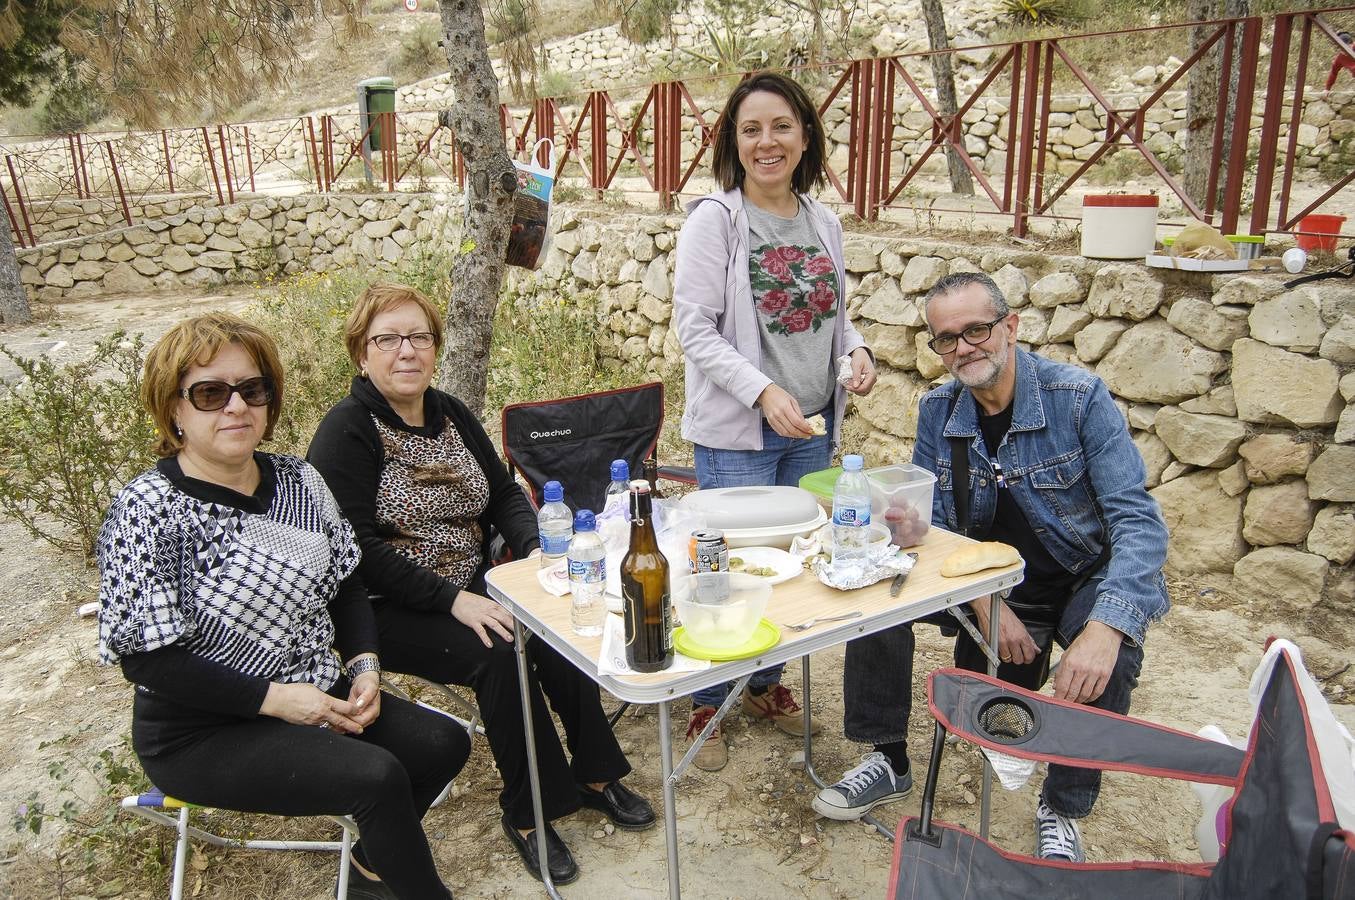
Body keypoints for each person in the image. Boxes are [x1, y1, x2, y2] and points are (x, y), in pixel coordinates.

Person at [97, 313, 467, 900]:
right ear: (173, 409)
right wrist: (279, 701)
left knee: (445, 743)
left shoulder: (297, 480)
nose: (236, 407)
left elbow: (345, 581)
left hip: (316, 691)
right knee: (377, 778)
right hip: (203, 729)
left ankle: (372, 867)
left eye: (253, 389)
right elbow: (150, 661)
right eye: (211, 393)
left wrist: (365, 664)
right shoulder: (148, 510)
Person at [814, 272, 1169, 863]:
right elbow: (939, 530)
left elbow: (1138, 522)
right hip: (985, 578)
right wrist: (982, 597)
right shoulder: (939, 410)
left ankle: (1061, 806)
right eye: (946, 339)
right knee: (878, 599)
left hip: (1078, 573)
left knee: (1111, 655)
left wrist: (1107, 627)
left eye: (976, 329)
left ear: (1010, 327)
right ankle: (886, 758)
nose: (963, 348)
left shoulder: (1077, 398)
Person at [307, 283, 654, 887]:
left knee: (555, 617)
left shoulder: (448, 411)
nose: (405, 351)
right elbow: (353, 549)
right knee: (499, 652)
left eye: (418, 337)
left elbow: (500, 492)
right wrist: (453, 601)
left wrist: (529, 551)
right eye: (386, 340)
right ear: (361, 355)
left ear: (435, 347)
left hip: (472, 581)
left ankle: (596, 772)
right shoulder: (348, 430)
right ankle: (529, 812)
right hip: (384, 605)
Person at [672, 70, 877, 772]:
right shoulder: (716, 219)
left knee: (792, 564)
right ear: (733, 142)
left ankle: (763, 686)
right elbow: (694, 330)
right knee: (720, 566)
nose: (767, 141)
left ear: (805, 135)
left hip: (811, 427)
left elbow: (834, 317)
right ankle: (707, 698)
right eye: (751, 129)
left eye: (780, 126)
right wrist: (762, 392)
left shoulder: (822, 220)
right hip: (741, 430)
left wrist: (856, 352)